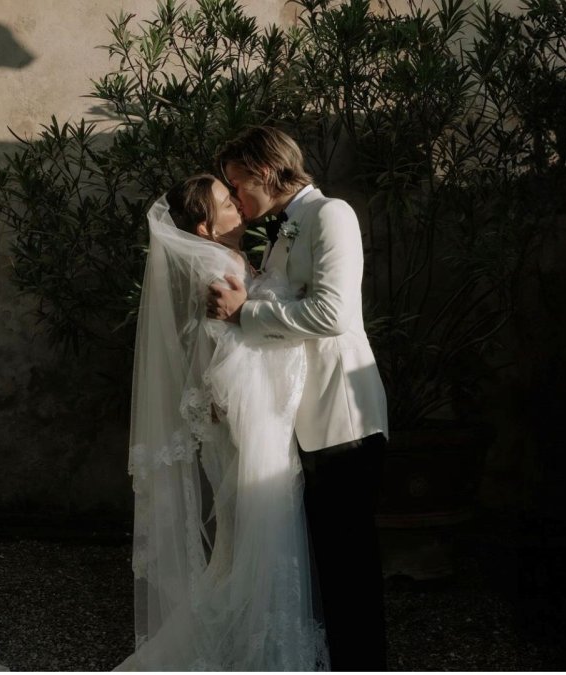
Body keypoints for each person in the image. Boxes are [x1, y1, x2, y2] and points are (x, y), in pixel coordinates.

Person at [121, 174, 327, 670]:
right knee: (250, 538)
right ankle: (241, 653)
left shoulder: (225, 258)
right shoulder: (218, 265)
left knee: (240, 543)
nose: (237, 204)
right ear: (205, 227)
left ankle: (235, 649)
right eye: (225, 202)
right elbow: (225, 347)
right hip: (244, 420)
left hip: (243, 416)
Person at [208, 125, 390, 670]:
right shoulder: (284, 229)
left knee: (349, 570)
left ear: (265, 172)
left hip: (341, 419)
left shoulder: (330, 215)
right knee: (322, 570)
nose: (236, 197)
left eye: (238, 184)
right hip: (300, 420)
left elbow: (333, 315)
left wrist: (246, 313)